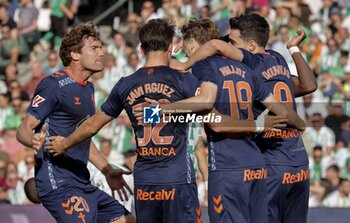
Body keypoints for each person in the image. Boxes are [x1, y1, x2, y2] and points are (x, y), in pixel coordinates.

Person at [137, 18, 305, 223]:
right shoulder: (247, 70)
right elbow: (285, 113)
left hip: (228, 168)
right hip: (257, 167)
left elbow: (214, 119)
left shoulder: (203, 67)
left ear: (191, 45)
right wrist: (301, 125)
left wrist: (157, 112)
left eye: (185, 48)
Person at [44, 19, 202, 223]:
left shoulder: (125, 84)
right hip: (178, 178)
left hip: (145, 182)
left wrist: (64, 144)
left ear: (142, 49)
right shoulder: (184, 79)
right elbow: (209, 110)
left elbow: (92, 125)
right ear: (170, 47)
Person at [16, 22, 134, 223]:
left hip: (81, 181)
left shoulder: (88, 88)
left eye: (101, 47)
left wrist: (107, 170)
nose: (102, 52)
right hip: (58, 183)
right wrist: (35, 140)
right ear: (75, 54)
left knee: (127, 220)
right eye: (94, 48)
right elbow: (23, 130)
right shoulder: (53, 85)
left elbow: (82, 138)